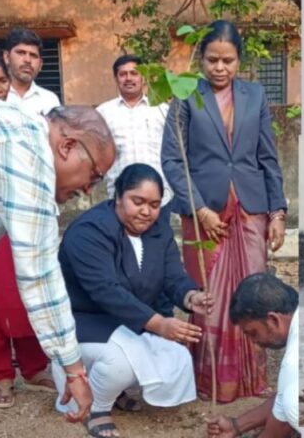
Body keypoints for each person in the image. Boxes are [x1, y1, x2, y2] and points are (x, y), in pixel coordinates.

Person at [161, 20, 287, 403]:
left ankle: (251, 377)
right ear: (201, 59)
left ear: (239, 61)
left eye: (227, 60)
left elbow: (267, 157)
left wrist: (278, 212)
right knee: (209, 294)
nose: (219, 68)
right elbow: (173, 159)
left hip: (251, 209)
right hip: (206, 212)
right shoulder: (185, 94)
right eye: (212, 60)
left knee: (254, 290)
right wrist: (199, 208)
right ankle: (211, 378)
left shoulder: (255, 95)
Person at [52, 163, 211, 438]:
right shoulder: (89, 231)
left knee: (173, 354)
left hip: (130, 322)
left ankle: (115, 391)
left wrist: (191, 295)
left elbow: (173, 276)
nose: (146, 212)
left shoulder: (159, 231)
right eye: (138, 202)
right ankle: (95, 408)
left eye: (154, 205)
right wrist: (158, 324)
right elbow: (106, 290)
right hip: (84, 323)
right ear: (118, 196)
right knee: (121, 363)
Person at [0, 101, 117, 423]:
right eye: (94, 176)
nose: (89, 190)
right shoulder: (30, 151)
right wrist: (74, 369)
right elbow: (39, 273)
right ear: (67, 146)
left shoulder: (14, 126)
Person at [0, 47, 54, 409]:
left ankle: (33, 366)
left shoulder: (20, 119)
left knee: (21, 294)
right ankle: (1, 375)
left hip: (19, 221)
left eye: (1, 81)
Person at [207, 273, 299, 437]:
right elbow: (283, 399)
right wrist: (235, 426)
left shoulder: (294, 360)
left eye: (253, 333)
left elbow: (283, 423)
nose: (254, 341)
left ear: (273, 320)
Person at [96, 55, 171, 206]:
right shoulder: (103, 113)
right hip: (120, 197)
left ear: (143, 78)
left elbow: (173, 150)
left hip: (159, 197)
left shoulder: (162, 110)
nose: (128, 78)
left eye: (134, 73)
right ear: (116, 79)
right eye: (123, 74)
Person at [3, 26, 59, 115]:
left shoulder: (49, 100)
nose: (28, 60)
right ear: (6, 57)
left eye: (33, 55)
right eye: (21, 53)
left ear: (40, 64)